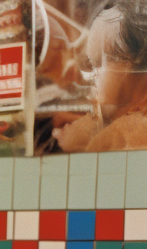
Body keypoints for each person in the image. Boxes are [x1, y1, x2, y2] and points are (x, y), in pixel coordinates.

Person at [53, 0, 147, 151]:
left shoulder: (119, 135)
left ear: (133, 63)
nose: (92, 77)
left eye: (98, 65)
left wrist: (75, 140)